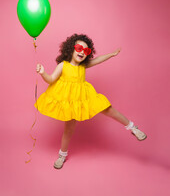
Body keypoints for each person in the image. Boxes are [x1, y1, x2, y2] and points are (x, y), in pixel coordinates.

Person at [35, 33, 147, 169]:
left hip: (84, 96)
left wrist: (111, 54)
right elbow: (51, 79)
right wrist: (43, 73)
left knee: (108, 108)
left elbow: (98, 60)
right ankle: (62, 155)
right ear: (71, 49)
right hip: (69, 100)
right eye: (79, 48)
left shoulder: (83, 66)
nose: (82, 52)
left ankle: (132, 128)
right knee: (69, 129)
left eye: (86, 51)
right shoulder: (63, 65)